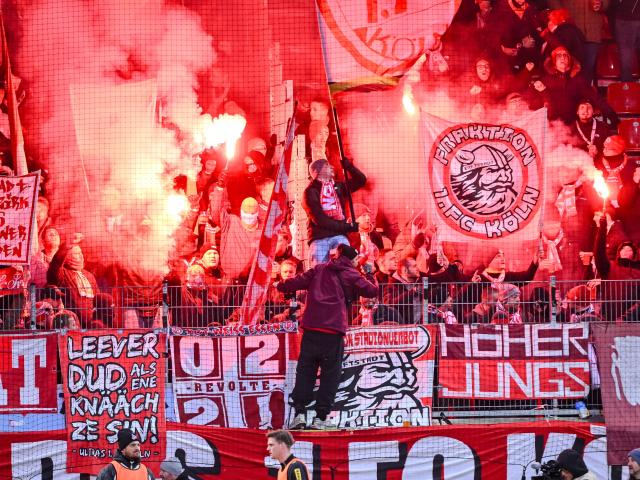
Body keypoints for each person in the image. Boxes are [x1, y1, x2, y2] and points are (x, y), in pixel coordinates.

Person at [277, 244, 378, 429]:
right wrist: (370, 274)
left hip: (311, 330)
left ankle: (299, 414)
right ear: (353, 260)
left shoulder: (319, 269)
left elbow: (293, 283)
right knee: (330, 376)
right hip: (333, 333)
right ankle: (321, 417)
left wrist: (280, 284)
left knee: (305, 372)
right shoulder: (351, 273)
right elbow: (372, 291)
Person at [303, 158, 366, 267]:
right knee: (319, 272)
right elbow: (320, 220)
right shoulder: (310, 191)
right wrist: (350, 226)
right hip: (319, 238)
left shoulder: (338, 187)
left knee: (344, 267)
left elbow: (361, 180)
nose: (332, 167)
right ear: (316, 172)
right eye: (327, 166)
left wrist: (349, 167)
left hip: (339, 236)